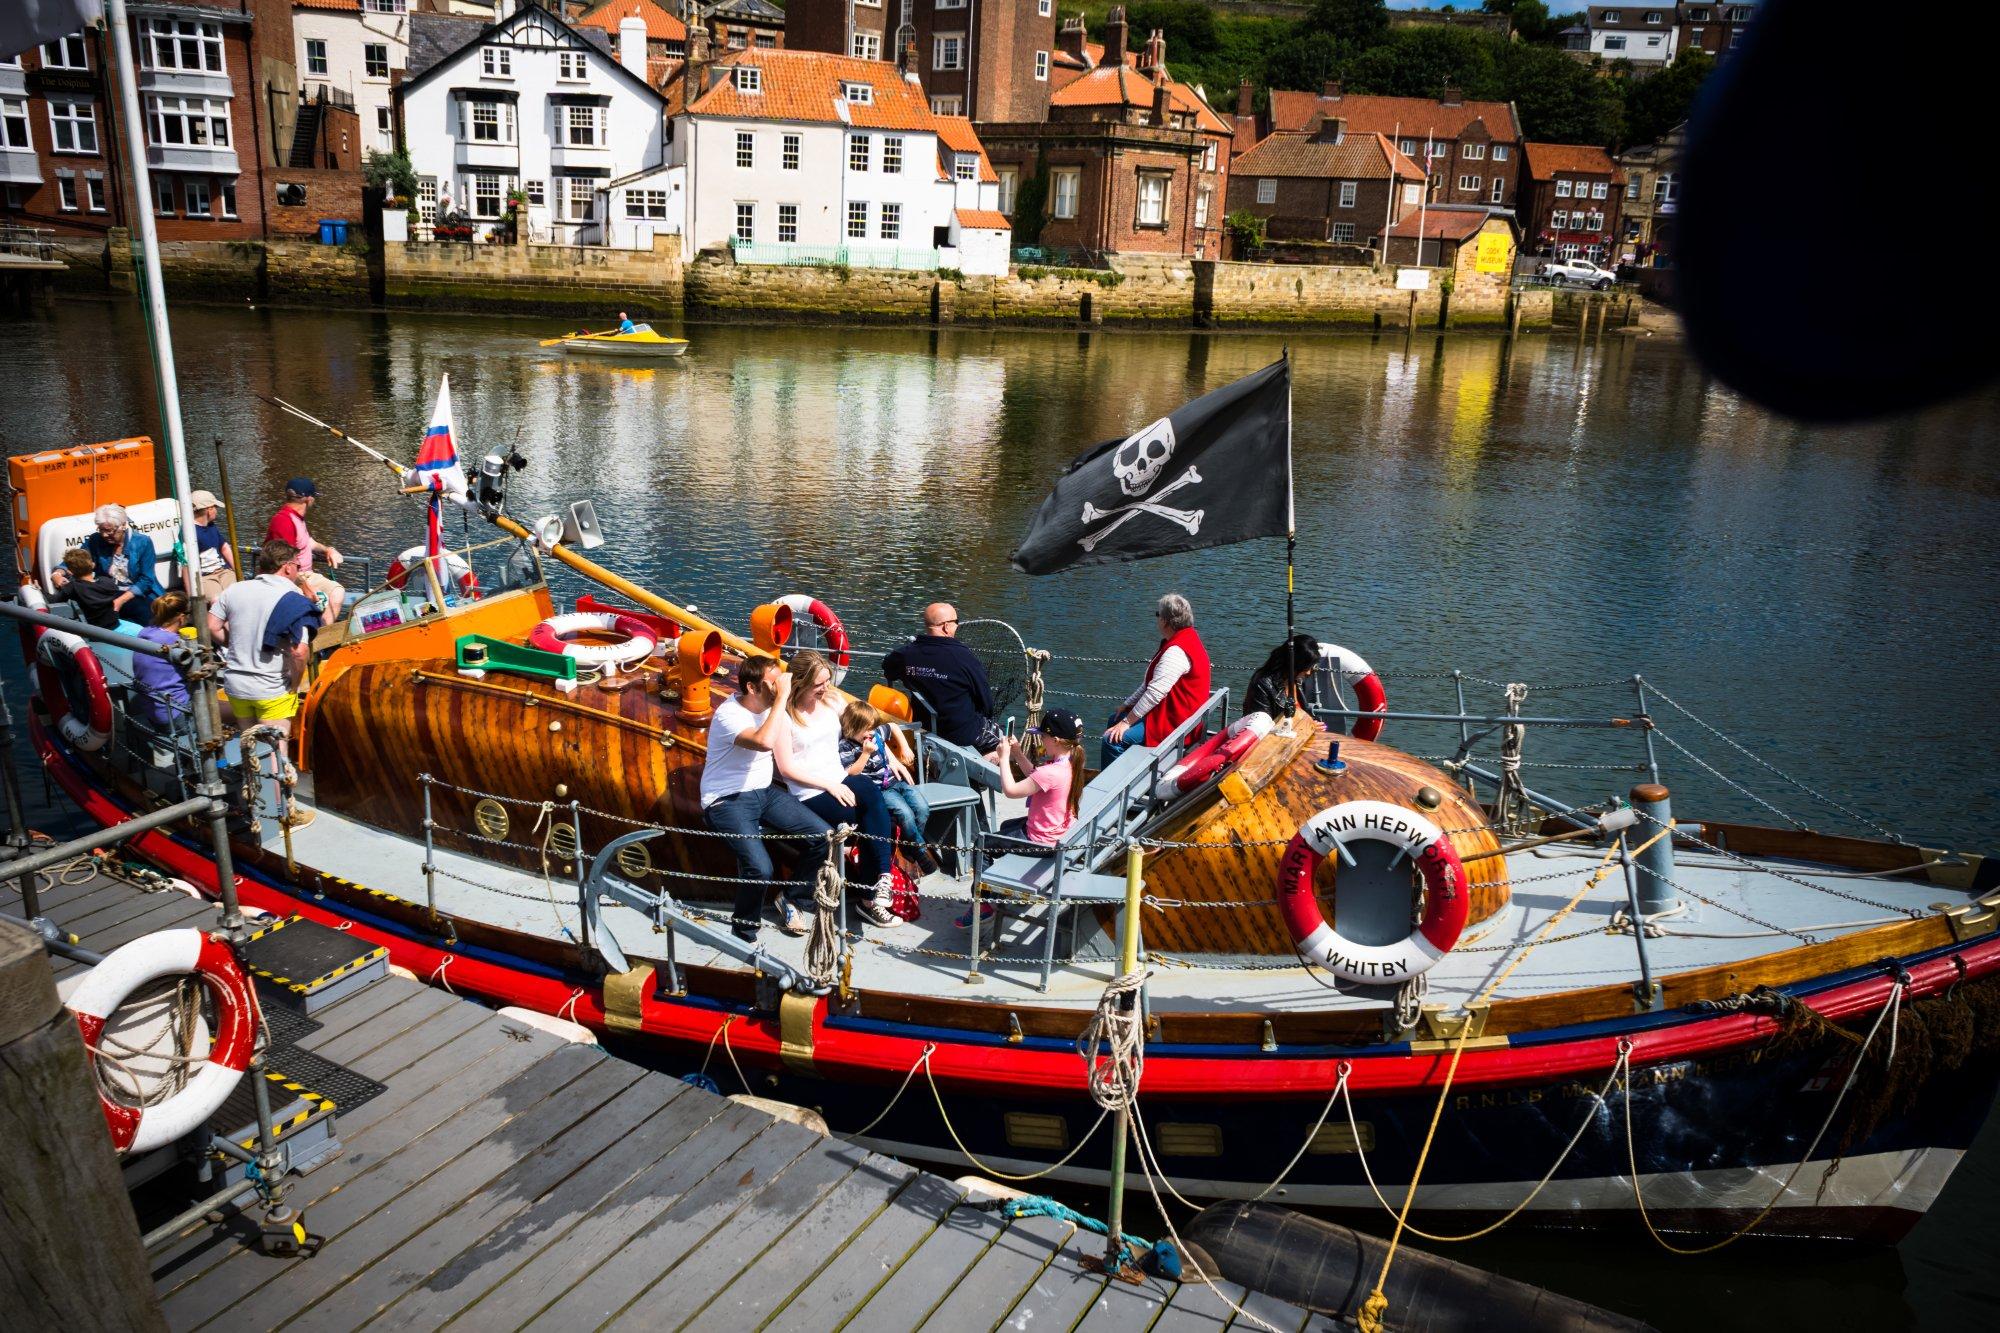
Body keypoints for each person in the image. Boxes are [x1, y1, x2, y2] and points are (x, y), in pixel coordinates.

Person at [699, 656, 832, 943]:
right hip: (727, 799)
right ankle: (743, 931)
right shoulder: (729, 715)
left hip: (764, 792)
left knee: (823, 836)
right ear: (752, 687)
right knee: (760, 868)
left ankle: (792, 897)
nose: (781, 686)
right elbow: (763, 742)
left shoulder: (773, 707)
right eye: (774, 682)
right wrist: (783, 697)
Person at [775, 650, 899, 927]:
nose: (826, 688)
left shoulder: (832, 700)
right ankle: (874, 890)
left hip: (840, 780)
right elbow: (787, 770)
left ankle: (878, 884)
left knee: (869, 799)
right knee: (872, 815)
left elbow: (867, 728)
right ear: (800, 683)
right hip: (810, 791)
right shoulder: (784, 717)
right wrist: (830, 785)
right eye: (819, 684)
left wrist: (890, 755)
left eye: (827, 681)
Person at [958, 709, 1086, 930]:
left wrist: (1005, 757)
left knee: (982, 845)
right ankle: (995, 886)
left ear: (1054, 740)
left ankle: (983, 904)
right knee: (1008, 827)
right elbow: (1036, 776)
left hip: (1041, 842)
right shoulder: (1070, 761)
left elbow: (1011, 790)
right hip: (1057, 833)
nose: (1040, 740)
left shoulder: (1052, 772)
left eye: (1043, 736)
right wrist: (1017, 752)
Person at [207, 540, 319, 736]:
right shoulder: (295, 601)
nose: (299, 572)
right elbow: (299, 653)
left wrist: (234, 643)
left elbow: (211, 626)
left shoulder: (235, 589)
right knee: (276, 753)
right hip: (271, 688)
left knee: (251, 747)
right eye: (298, 566)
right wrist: (294, 684)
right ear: (287, 567)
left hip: (236, 685)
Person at [1100, 592, 1212, 765]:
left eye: (1158, 614)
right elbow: (1151, 684)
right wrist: (1127, 705)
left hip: (1176, 723)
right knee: (1114, 719)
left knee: (1112, 741)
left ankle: (1113, 786)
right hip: (1175, 713)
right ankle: (1127, 767)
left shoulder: (1176, 652)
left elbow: (1154, 693)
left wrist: (1126, 722)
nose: (1157, 618)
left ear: (1166, 621)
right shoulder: (1187, 638)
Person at [881, 602, 1000, 754]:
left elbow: (888, 670)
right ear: (946, 626)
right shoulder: (963, 657)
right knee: (1005, 741)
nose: (957, 626)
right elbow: (986, 702)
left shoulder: (906, 655)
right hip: (962, 733)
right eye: (956, 622)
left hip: (924, 726)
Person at [840, 702, 937, 876]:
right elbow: (852, 772)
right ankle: (920, 852)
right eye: (866, 729)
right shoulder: (846, 746)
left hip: (895, 781)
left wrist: (904, 747)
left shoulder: (875, 734)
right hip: (880, 790)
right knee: (904, 813)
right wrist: (865, 754)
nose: (871, 733)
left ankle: (908, 845)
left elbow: (892, 727)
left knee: (922, 808)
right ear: (852, 728)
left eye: (872, 728)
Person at [265, 478, 344, 624]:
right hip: (291, 577)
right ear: (308, 499)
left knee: (337, 592)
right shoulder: (284, 521)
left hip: (304, 574)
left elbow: (308, 542)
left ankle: (322, 637)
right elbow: (284, 561)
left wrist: (328, 550)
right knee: (319, 599)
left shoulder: (296, 517)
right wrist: (304, 585)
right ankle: (315, 639)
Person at [130, 591, 194, 734]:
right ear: (181, 617)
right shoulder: (176, 643)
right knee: (228, 706)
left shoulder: (145, 633)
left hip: (152, 711)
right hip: (176, 718)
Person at [83, 503, 165, 610]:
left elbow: (146, 579)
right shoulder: (96, 540)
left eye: (109, 530)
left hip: (139, 593)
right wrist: (59, 572)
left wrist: (120, 601)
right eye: (101, 530)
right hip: (110, 592)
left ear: (123, 526)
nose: (104, 535)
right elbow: (78, 558)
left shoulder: (142, 542)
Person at [1243, 633, 1323, 723]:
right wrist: (1306, 726)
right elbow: (1261, 725)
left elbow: (1304, 714)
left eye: (1310, 667)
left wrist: (1312, 723)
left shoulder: (1296, 681)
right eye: (1305, 668)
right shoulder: (1263, 684)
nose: (1308, 672)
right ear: (1294, 664)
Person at [181, 489, 236, 602]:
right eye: (215, 507)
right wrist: (191, 595)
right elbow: (185, 564)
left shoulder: (211, 526)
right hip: (205, 577)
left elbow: (224, 547)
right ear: (209, 510)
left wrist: (237, 571)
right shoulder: (189, 532)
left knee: (239, 592)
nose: (216, 511)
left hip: (223, 571)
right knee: (218, 600)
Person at [51, 547, 126, 630]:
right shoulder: (106, 582)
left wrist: (40, 590)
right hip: (115, 625)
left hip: (94, 631)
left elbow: (55, 601)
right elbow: (113, 588)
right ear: (93, 565)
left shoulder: (72, 587)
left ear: (69, 571)